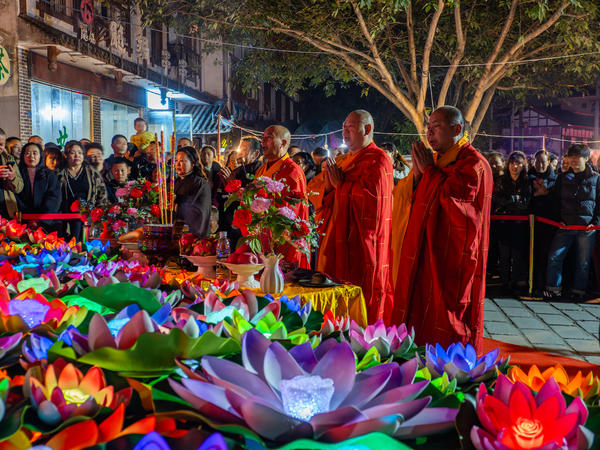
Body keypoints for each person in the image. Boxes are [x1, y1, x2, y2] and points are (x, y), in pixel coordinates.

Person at [391, 106, 492, 352]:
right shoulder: (436, 161)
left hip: (451, 254)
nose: (429, 133)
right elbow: (405, 195)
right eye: (428, 127)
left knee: (446, 312)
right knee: (418, 305)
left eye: (436, 127)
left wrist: (427, 173)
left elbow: (459, 207)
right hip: (424, 249)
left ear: (457, 129)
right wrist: (419, 177)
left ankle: (450, 363)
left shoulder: (473, 164)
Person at [316, 110, 394, 322]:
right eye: (344, 127)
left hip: (361, 241)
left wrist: (340, 186)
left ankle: (361, 334)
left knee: (360, 290)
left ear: (367, 129)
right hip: (336, 236)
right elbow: (327, 200)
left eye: (350, 127)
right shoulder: (343, 161)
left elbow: (375, 204)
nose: (345, 132)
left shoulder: (379, 160)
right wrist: (331, 188)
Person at [545, 144, 600, 301]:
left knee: (583, 262)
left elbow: (599, 202)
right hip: (565, 225)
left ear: (586, 158)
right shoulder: (562, 178)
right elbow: (555, 201)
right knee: (554, 257)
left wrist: (595, 222)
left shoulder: (596, 178)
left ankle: (578, 291)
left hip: (587, 227)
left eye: (578, 157)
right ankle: (553, 289)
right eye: (571, 157)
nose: (574, 160)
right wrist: (558, 219)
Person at [255, 125, 309, 269]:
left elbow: (291, 211)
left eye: (269, 137)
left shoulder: (292, 171)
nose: (263, 141)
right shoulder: (261, 170)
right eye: (263, 137)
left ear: (283, 143)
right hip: (262, 236)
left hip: (284, 240)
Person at [493, 151, 531, 294]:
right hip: (503, 222)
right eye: (513, 163)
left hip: (520, 224)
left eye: (519, 164)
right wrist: (514, 199)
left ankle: (514, 283)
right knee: (504, 255)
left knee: (517, 255)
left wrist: (510, 201)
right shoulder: (501, 181)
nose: (515, 166)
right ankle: (504, 283)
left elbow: (525, 204)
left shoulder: (527, 181)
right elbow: (498, 200)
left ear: (523, 165)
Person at [58, 140, 107, 240]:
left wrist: (98, 214)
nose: (77, 156)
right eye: (72, 153)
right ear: (66, 155)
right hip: (66, 217)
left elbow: (102, 194)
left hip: (88, 216)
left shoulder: (92, 172)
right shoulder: (60, 173)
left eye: (80, 153)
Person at [529, 149, 558, 291]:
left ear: (549, 162)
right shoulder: (528, 177)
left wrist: (545, 194)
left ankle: (544, 283)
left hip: (549, 222)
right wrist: (536, 194)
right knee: (530, 254)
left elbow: (557, 200)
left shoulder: (555, 179)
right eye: (537, 161)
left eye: (543, 162)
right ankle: (532, 283)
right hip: (530, 222)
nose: (540, 165)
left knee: (546, 254)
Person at [16, 142, 61, 231]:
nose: (31, 156)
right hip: (22, 220)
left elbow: (54, 198)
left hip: (46, 222)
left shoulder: (49, 175)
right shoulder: (17, 174)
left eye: (35, 153)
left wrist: (41, 219)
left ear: (41, 156)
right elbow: (16, 196)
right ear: (23, 156)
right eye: (27, 153)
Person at [174, 146, 211, 236]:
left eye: (182, 161)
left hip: (194, 231)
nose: (178, 164)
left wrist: (176, 203)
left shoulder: (199, 182)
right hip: (177, 229)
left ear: (193, 163)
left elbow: (195, 208)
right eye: (176, 160)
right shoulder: (176, 182)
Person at [0, 128, 24, 219]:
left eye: (1, 144)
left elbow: (19, 188)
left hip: (7, 210)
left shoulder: (8, 159)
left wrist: (13, 178)